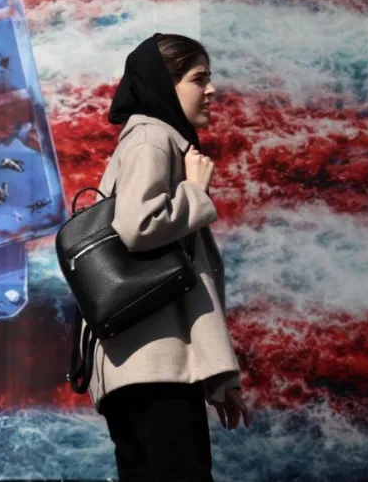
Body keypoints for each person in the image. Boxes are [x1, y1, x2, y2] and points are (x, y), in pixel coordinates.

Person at [89, 32, 251, 482]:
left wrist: (218, 379)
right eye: (199, 79)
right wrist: (195, 193)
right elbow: (138, 226)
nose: (211, 90)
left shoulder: (152, 138)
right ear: (166, 84)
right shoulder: (151, 139)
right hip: (154, 371)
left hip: (145, 366)